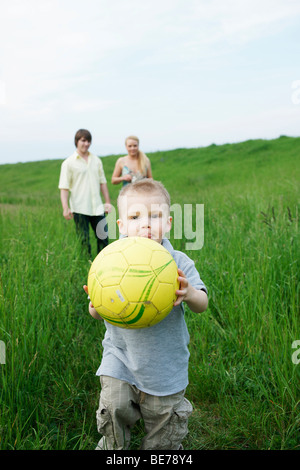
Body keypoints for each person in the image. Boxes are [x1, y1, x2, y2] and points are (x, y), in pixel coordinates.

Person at [83, 179, 208, 450]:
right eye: (135, 216)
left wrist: (189, 293)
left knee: (163, 427)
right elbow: (98, 313)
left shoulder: (179, 262)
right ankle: (114, 449)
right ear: (122, 226)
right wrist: (96, 304)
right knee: (113, 409)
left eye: (155, 215)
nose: (146, 224)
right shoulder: (111, 262)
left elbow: (203, 303)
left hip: (164, 365)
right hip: (120, 358)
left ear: (170, 222)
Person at [58, 129, 111, 257]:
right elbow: (64, 188)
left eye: (88, 141)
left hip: (97, 207)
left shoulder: (96, 160)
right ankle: (87, 266)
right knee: (84, 240)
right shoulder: (68, 163)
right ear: (77, 142)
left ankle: (103, 264)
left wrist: (107, 202)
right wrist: (65, 208)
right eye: (83, 140)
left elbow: (102, 182)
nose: (86, 144)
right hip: (79, 208)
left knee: (103, 238)